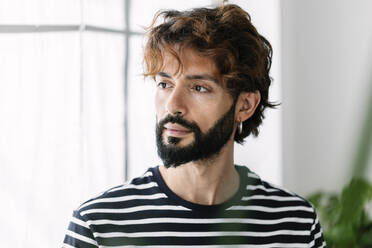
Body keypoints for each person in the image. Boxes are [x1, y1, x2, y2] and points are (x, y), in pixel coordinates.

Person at [63, 3, 326, 247]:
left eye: (199, 88)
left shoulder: (295, 225)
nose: (173, 105)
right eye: (165, 84)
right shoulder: (98, 226)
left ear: (245, 105)